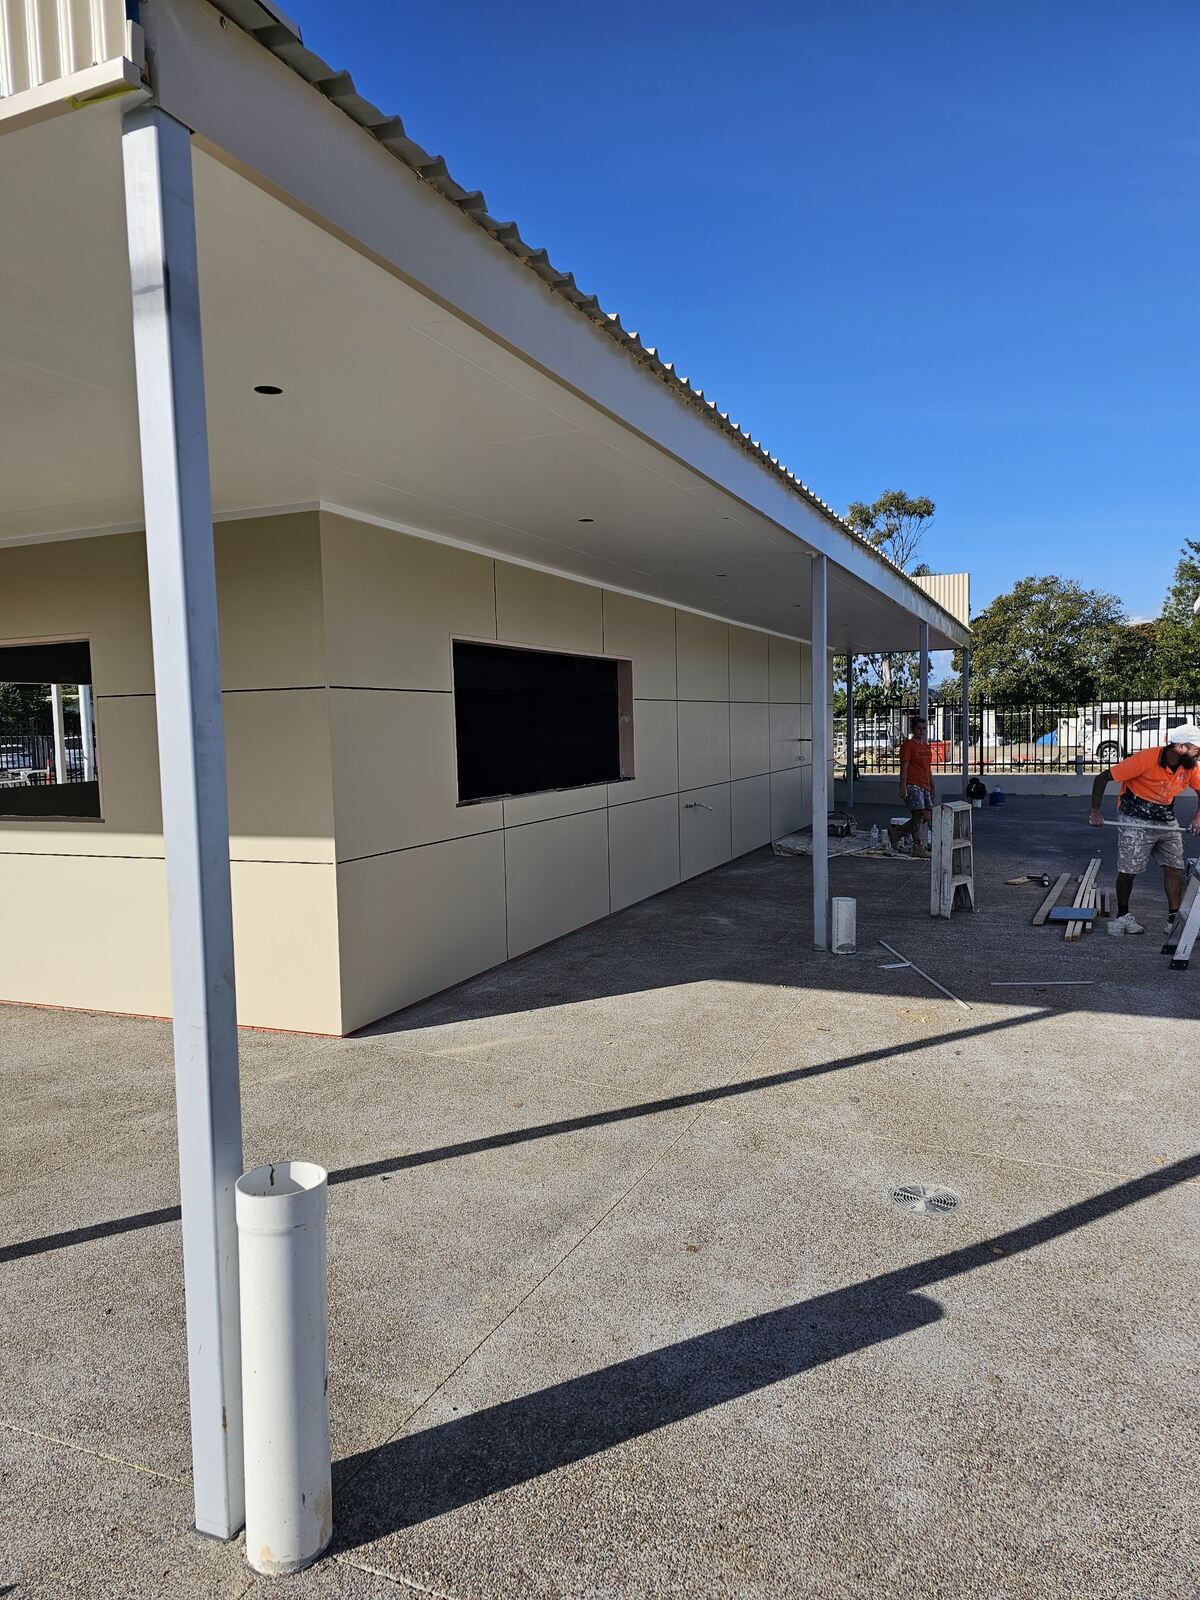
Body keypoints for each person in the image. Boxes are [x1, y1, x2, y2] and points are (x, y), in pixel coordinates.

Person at [1088, 724, 1200, 937]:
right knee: (1128, 870)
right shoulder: (1145, 759)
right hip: (1134, 817)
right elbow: (1102, 777)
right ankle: (1122, 916)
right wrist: (1096, 811)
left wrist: (1198, 817)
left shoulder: (1191, 766)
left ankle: (1173, 920)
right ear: (1180, 747)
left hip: (1165, 818)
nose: (1198, 752)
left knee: (1174, 867)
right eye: (1196, 748)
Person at [891, 717, 935, 858]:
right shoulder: (908, 746)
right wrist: (903, 786)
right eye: (918, 728)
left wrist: (932, 783)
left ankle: (898, 832)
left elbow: (927, 768)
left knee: (927, 815)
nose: (921, 731)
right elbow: (904, 767)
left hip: (924, 785)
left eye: (924, 728)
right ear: (913, 729)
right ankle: (918, 846)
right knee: (918, 815)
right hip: (912, 784)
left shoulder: (926, 747)